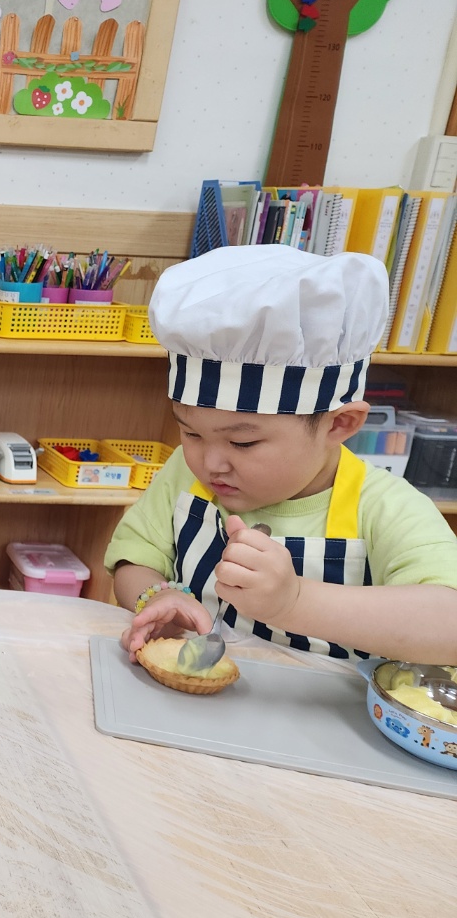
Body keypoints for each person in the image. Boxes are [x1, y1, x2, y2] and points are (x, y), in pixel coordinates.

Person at [107, 245, 457, 664]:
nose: (210, 463)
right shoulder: (184, 472)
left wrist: (294, 602)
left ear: (339, 425)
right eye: (191, 432)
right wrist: (156, 597)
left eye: (243, 443)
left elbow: (448, 625)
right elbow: (133, 558)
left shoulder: (386, 508)